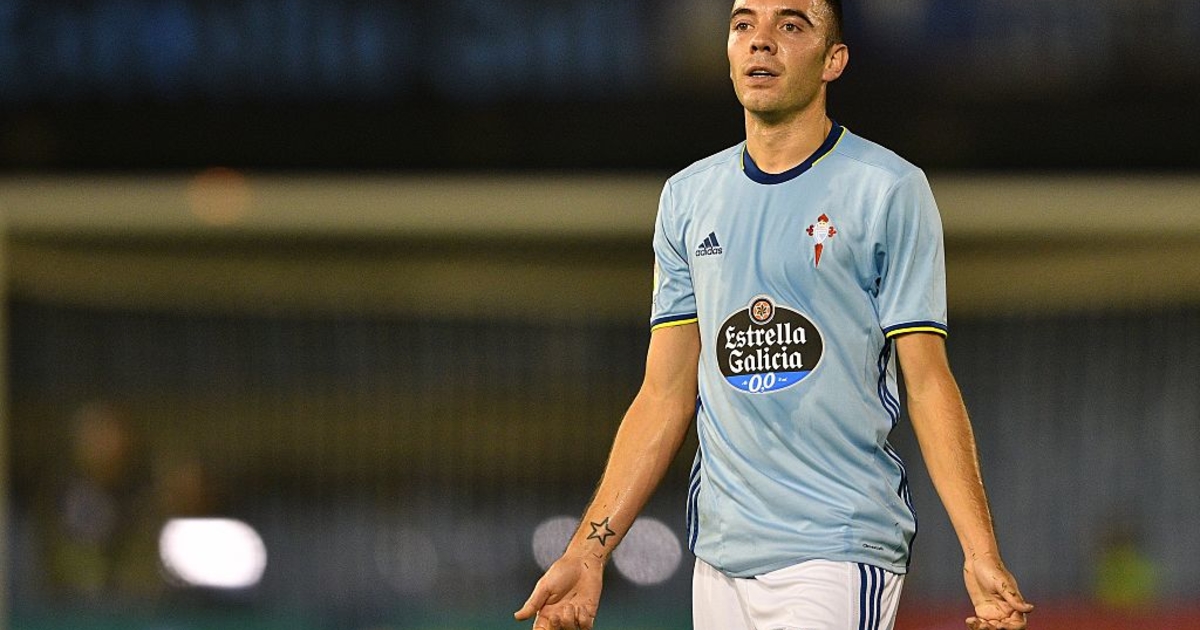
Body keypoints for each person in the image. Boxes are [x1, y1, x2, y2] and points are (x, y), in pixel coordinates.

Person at [515, 1, 1033, 629]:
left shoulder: (888, 188)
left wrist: (980, 553)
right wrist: (588, 552)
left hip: (838, 549)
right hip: (718, 561)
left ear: (833, 61)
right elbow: (664, 394)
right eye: (743, 24)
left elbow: (926, 381)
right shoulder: (687, 198)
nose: (761, 41)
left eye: (790, 25)